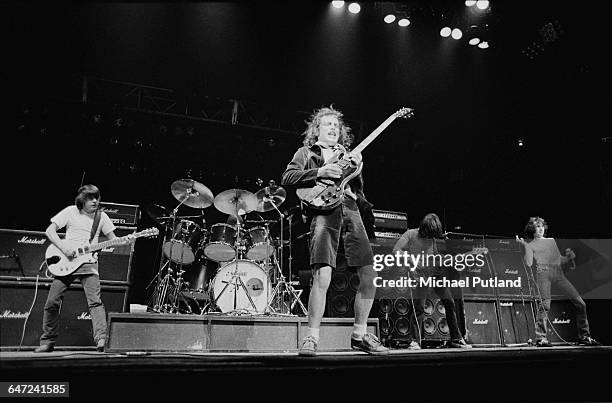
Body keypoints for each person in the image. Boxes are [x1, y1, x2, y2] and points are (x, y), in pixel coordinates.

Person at [281, 105, 388, 356]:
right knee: (323, 275)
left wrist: (357, 167)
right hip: (323, 210)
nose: (332, 127)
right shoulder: (307, 152)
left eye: (336, 125)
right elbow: (288, 177)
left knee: (370, 276)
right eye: (327, 124)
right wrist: (320, 171)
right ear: (316, 129)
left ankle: (360, 335)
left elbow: (353, 187)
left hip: (350, 209)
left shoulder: (350, 155)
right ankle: (311, 338)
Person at [34, 185, 133, 353]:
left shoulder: (102, 217)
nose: (95, 201)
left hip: (89, 262)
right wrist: (64, 249)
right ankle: (48, 341)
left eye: (96, 197)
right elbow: (50, 231)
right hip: (67, 262)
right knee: (52, 302)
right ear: (82, 200)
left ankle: (101, 339)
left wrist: (127, 240)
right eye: (90, 198)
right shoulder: (71, 211)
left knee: (95, 302)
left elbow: (114, 240)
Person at [392, 213, 472, 349]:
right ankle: (414, 341)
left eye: (432, 236)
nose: (430, 238)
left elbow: (434, 256)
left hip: (435, 275)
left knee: (449, 302)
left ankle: (456, 339)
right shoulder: (410, 234)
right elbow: (396, 250)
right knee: (419, 308)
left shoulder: (432, 239)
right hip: (420, 276)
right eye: (429, 235)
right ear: (424, 228)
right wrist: (412, 261)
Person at [516, 217, 600, 347]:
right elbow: (529, 263)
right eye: (537, 226)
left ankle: (584, 336)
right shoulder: (531, 244)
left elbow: (559, 260)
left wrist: (568, 257)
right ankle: (540, 338)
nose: (540, 229)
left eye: (542, 226)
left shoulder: (551, 241)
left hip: (558, 273)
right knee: (545, 305)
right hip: (543, 273)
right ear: (532, 229)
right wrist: (525, 246)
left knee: (581, 304)